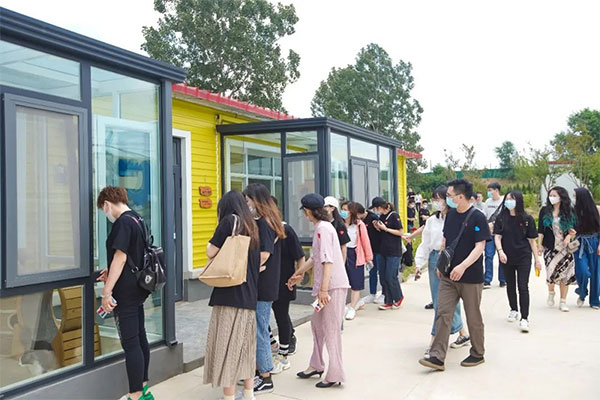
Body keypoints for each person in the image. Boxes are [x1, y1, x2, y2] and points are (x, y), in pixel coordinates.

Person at [419, 179, 489, 371]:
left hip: (470, 277)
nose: (446, 199)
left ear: (460, 197)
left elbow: (480, 246)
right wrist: (441, 264)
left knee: (473, 316)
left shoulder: (478, 217)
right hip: (449, 276)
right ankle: (437, 356)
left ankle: (477, 353)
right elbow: (446, 241)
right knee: (443, 313)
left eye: (449, 196)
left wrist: (463, 266)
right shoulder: (450, 216)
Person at [96, 187, 154, 400]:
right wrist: (110, 272)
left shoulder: (122, 223)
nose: (106, 214)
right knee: (140, 337)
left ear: (107, 204)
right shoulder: (138, 219)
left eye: (103, 209)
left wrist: (107, 292)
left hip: (126, 292)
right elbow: (132, 256)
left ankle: (135, 394)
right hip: (138, 288)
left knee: (130, 343)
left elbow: (120, 258)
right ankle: (143, 389)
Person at [287, 194, 350, 388]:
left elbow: (327, 261)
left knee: (331, 330)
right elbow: (315, 258)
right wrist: (297, 274)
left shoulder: (323, 229)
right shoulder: (322, 227)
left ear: (308, 211)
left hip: (331, 288)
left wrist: (323, 290)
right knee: (317, 325)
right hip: (325, 288)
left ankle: (335, 374)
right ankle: (316, 364)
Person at [202, 191, 260, 400]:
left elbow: (211, 251)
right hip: (249, 296)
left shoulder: (229, 222)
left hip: (230, 295)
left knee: (227, 349)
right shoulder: (252, 225)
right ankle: (249, 394)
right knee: (245, 349)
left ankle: (229, 397)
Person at [414, 186, 470, 357]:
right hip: (435, 260)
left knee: (446, 302)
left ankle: (434, 343)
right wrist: (419, 264)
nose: (435, 202)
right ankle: (463, 333)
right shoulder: (432, 220)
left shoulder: (458, 218)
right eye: (434, 199)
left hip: (453, 260)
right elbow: (425, 243)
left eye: (438, 199)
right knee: (441, 302)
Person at [242, 183, 286, 394]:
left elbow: (264, 255)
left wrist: (245, 266)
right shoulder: (269, 221)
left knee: (259, 331)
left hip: (262, 286)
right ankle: (258, 372)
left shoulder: (263, 223)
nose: (246, 205)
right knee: (258, 329)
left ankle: (266, 376)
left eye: (247, 200)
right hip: (265, 285)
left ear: (255, 200)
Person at [493, 191, 541, 332]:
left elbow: (532, 241)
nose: (509, 201)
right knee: (510, 284)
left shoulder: (527, 219)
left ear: (518, 201)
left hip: (523, 256)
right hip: (506, 256)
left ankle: (524, 318)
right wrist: (500, 251)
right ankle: (513, 309)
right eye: (507, 199)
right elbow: (497, 237)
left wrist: (537, 259)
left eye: (512, 199)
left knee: (523, 286)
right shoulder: (501, 218)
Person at [269, 197, 306, 371]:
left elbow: (300, 255)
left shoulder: (286, 229)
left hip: (284, 280)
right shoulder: (260, 228)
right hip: (265, 281)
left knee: (281, 314)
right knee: (261, 315)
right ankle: (274, 343)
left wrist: (298, 275)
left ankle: (287, 345)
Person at [538, 186, 577, 312]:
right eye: (550, 195)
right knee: (551, 273)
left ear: (561, 197)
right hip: (550, 247)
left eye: (554, 195)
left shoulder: (569, 211)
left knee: (565, 275)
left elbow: (574, 228)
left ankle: (563, 301)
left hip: (565, 248)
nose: (551, 197)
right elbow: (541, 230)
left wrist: (569, 236)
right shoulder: (545, 211)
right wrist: (539, 245)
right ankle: (551, 292)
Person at [341, 202, 373, 320]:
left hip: (355, 254)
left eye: (345, 209)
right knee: (343, 282)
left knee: (356, 283)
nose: (343, 212)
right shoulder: (339, 224)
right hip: (341, 254)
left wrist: (369, 258)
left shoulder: (359, 225)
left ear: (352, 212)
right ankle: (344, 306)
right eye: (342, 209)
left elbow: (365, 242)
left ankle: (352, 308)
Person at [373, 201, 405, 310]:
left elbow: (400, 232)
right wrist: (378, 227)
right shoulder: (382, 217)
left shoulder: (394, 215)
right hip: (383, 250)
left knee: (391, 276)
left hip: (393, 251)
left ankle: (398, 297)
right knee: (383, 276)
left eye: (376, 208)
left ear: (381, 207)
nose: (376, 211)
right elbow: (382, 232)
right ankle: (388, 300)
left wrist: (386, 229)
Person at [572, 187, 600, 309]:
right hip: (580, 243)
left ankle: (595, 300)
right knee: (582, 271)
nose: (573, 198)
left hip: (594, 241)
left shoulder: (596, 210)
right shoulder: (573, 211)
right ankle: (582, 292)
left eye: (575, 196)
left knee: (595, 273)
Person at [361, 197, 386, 305]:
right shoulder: (362, 221)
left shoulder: (373, 218)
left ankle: (384, 293)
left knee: (382, 272)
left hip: (379, 249)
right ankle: (372, 293)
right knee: (372, 271)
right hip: (370, 251)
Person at [483, 182, 506, 288]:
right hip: (490, 233)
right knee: (488, 256)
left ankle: (503, 279)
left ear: (496, 190)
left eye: (490, 190)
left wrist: (494, 224)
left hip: (501, 233)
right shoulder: (488, 202)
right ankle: (487, 279)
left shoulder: (503, 201)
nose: (489, 192)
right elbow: (484, 215)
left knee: (502, 255)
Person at [324, 196, 351, 263]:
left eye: (326, 206)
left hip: (336, 258)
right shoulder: (322, 223)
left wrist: (342, 263)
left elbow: (343, 246)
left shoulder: (339, 224)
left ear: (333, 208)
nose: (324, 209)